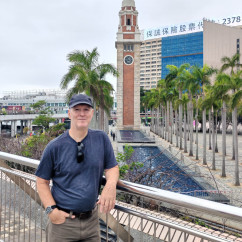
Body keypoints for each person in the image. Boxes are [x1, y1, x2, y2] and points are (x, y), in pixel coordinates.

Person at [35, 94, 119, 242]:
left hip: (92, 222)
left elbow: (112, 167)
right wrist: (51, 211)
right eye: (77, 109)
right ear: (69, 113)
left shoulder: (101, 139)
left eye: (86, 109)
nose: (81, 113)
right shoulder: (55, 147)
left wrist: (110, 186)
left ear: (92, 113)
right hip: (63, 224)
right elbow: (41, 181)